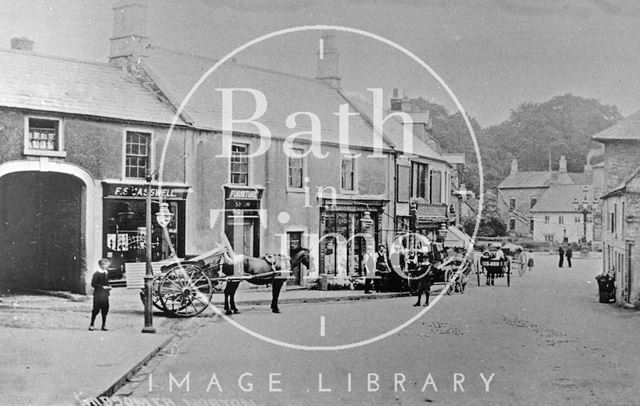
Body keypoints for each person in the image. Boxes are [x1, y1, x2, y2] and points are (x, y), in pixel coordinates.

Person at [89, 258, 112, 331]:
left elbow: (107, 282)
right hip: (98, 295)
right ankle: (92, 324)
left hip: (105, 295)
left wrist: (109, 287)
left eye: (106, 264)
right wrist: (102, 287)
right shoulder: (97, 274)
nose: (105, 266)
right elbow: (93, 284)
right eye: (104, 264)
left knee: (105, 309)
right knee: (96, 309)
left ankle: (103, 325)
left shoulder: (106, 272)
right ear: (100, 265)